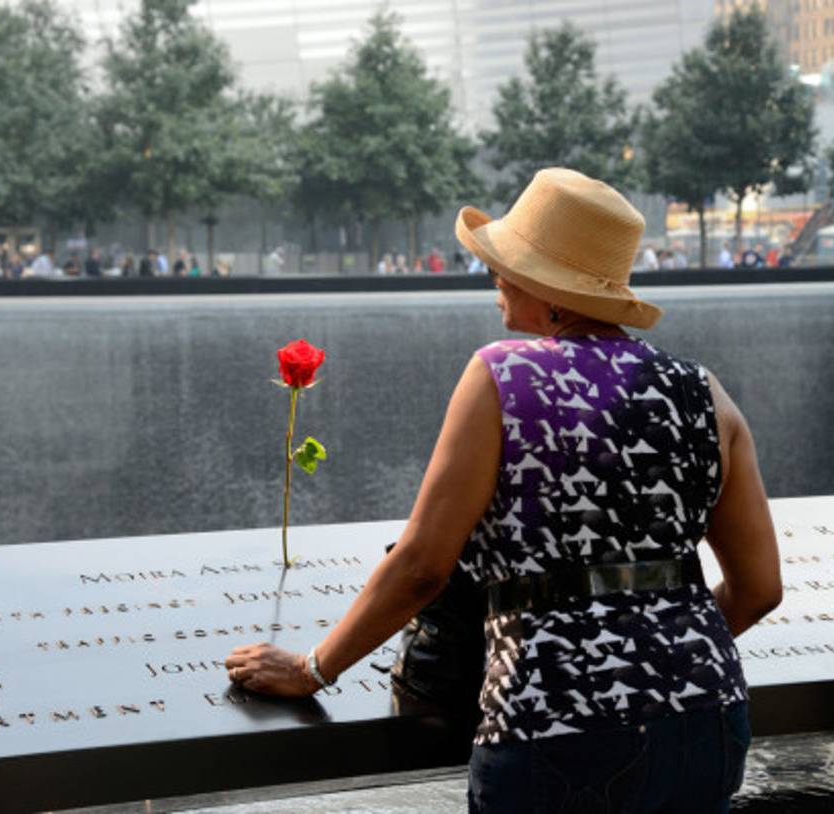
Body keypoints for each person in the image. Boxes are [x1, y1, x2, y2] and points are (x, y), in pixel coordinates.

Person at [227, 168, 782, 812]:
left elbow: (421, 569)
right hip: (705, 717)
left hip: (549, 727)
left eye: (507, 266)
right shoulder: (702, 391)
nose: (494, 277)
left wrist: (310, 670)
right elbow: (760, 589)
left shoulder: (502, 376)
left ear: (553, 296)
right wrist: (661, 659)